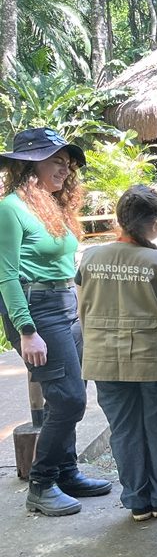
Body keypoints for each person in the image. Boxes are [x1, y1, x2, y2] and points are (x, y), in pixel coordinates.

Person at [0, 127, 112, 516]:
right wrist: (26, 330)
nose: (65, 170)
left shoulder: (51, 206)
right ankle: (42, 483)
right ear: (29, 165)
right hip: (36, 307)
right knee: (68, 399)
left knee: (71, 391)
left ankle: (67, 472)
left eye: (67, 164)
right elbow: (6, 275)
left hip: (64, 304)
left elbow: (67, 265)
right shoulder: (10, 208)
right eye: (57, 162)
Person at [77, 185, 157, 522]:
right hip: (156, 360)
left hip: (104, 358)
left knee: (123, 430)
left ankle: (136, 500)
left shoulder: (90, 257)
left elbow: (82, 310)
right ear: (154, 224)